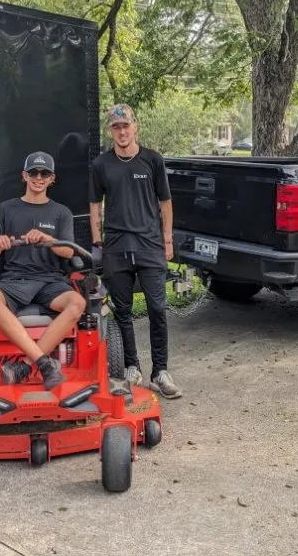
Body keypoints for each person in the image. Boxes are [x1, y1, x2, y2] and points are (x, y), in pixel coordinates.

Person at [89, 104, 182, 398]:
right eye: (116, 127)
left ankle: (160, 372)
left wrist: (167, 240)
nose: (122, 131)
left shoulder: (152, 160)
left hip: (150, 245)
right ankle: (132, 366)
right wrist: (96, 240)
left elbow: (165, 203)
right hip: (116, 246)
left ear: (135, 126)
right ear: (110, 131)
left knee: (157, 308)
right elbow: (95, 204)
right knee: (124, 311)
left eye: (126, 126)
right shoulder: (101, 165)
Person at [0, 151, 86, 391]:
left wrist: (48, 239)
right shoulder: (4, 210)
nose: (39, 177)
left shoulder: (61, 213)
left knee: (77, 303)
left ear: (52, 178)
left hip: (50, 281)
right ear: (24, 176)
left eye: (44, 173)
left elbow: (70, 253)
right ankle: (45, 363)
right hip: (14, 280)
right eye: (34, 173)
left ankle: (25, 365)